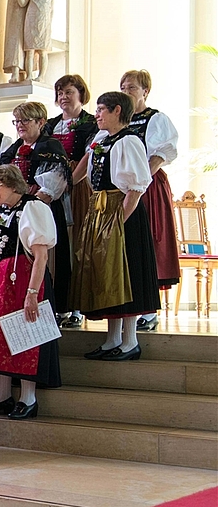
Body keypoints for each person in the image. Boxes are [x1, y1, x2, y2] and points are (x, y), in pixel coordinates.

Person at [71, 92, 159, 361]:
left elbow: (136, 187)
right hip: (101, 209)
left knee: (126, 271)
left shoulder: (129, 141)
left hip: (121, 212)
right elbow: (84, 172)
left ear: (117, 110)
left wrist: (118, 222)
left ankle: (130, 341)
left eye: (100, 110)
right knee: (106, 273)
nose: (96, 115)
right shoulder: (102, 139)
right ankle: (112, 339)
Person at [0, 165, 60, 418]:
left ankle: (28, 398)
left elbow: (41, 255)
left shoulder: (32, 207)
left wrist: (32, 292)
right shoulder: (2, 211)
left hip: (22, 281)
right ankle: (3, 395)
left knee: (26, 336)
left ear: (14, 186)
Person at [120, 70, 181, 331]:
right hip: (123, 188)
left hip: (148, 185)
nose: (127, 92)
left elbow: (162, 154)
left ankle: (149, 310)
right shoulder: (118, 120)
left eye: (132, 87)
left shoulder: (155, 119)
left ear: (145, 91)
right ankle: (130, 305)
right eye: (123, 87)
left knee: (150, 239)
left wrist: (141, 180)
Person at [0, 102, 72, 318]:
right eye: (16, 121)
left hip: (40, 212)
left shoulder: (51, 147)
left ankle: (49, 311)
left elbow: (50, 188)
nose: (19, 125)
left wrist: (26, 206)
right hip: (15, 214)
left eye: (25, 120)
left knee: (44, 258)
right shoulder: (12, 150)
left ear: (40, 122)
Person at [46, 74, 98, 328]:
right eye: (60, 92)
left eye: (68, 91)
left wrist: (69, 183)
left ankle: (77, 305)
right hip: (52, 187)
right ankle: (60, 304)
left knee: (76, 243)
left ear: (80, 93)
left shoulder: (91, 123)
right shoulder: (50, 125)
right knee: (58, 246)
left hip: (77, 188)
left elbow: (89, 159)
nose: (63, 97)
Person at [14, 0, 55, 82]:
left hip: (44, 22)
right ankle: (29, 75)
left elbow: (51, 8)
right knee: (30, 51)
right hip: (31, 20)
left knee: (43, 51)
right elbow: (23, 3)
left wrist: (49, 23)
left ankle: (41, 76)